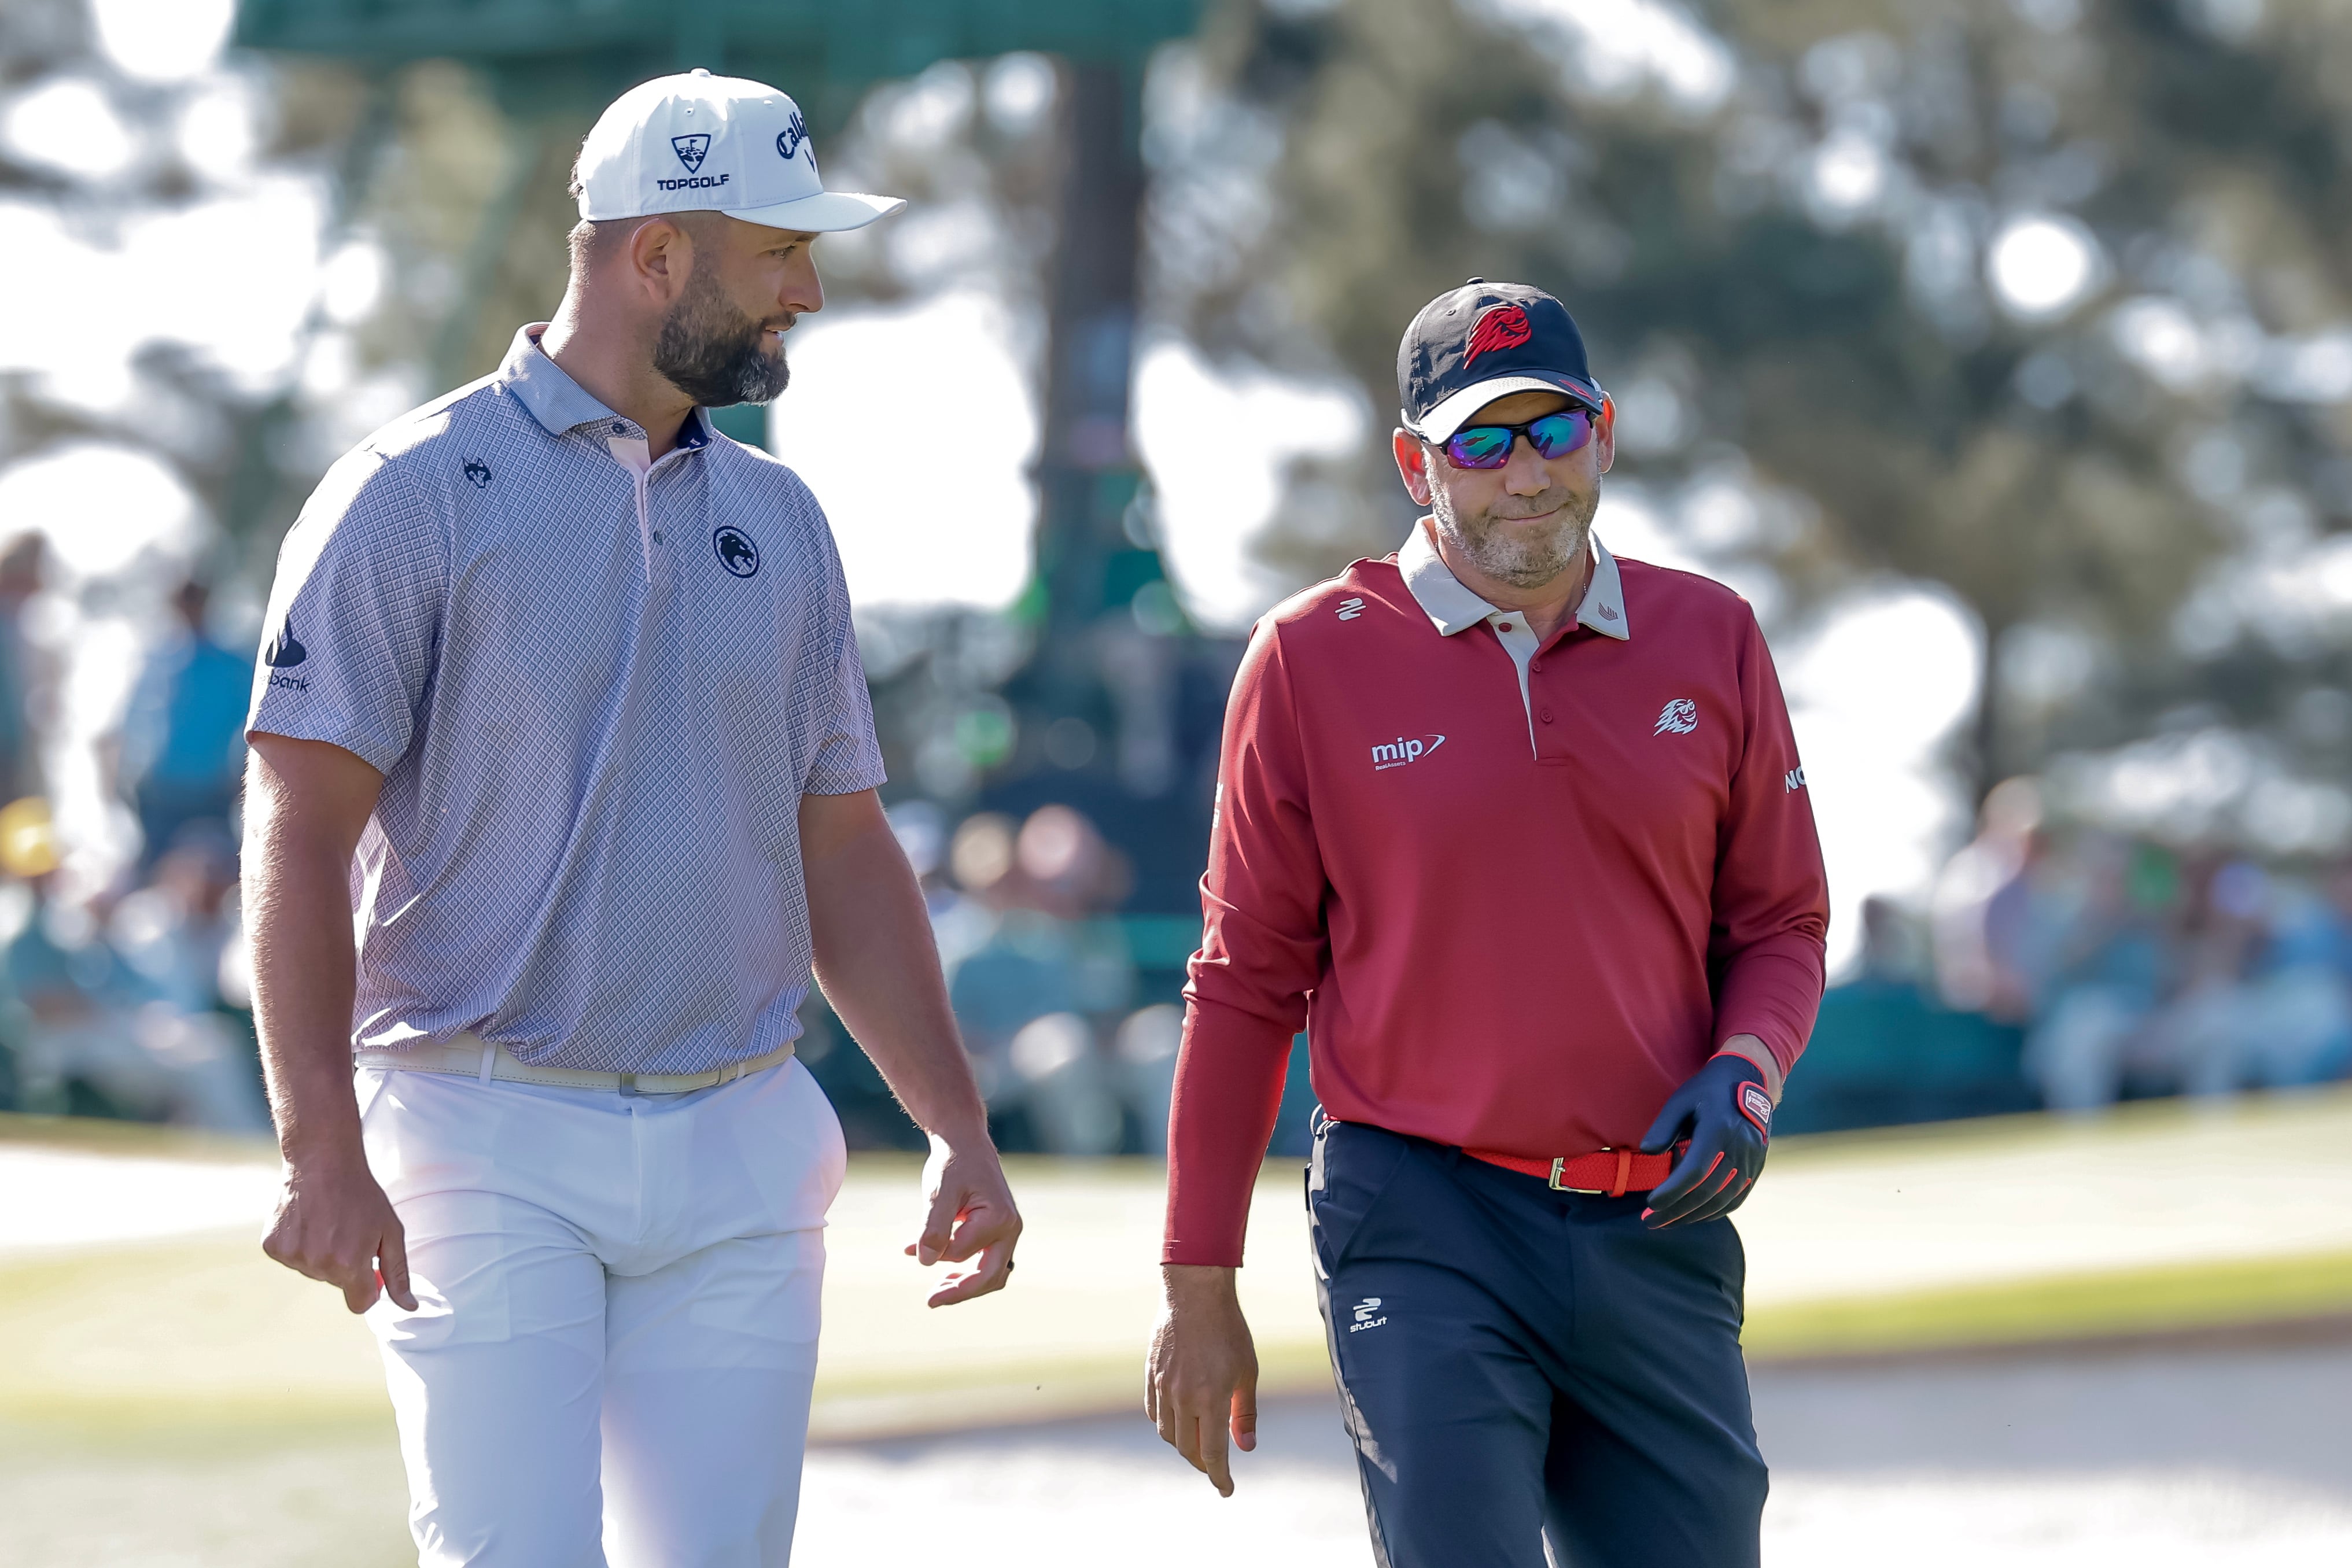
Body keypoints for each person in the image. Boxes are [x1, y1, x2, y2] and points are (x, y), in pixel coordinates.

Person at [243, 71, 1020, 1567]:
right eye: (777, 249)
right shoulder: (411, 492)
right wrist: (317, 1147)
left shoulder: (782, 520)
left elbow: (842, 843)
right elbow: (298, 829)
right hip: (482, 1124)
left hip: (740, 1128)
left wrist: (955, 1122)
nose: (807, 286)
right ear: (655, 253)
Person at [1146, 280, 1830, 1567]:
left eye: (1551, 430)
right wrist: (1199, 1278)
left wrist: (1745, 1072)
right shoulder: (1308, 657)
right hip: (1420, 1220)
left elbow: (1781, 918)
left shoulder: (1712, 636)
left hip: (1656, 1224)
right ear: (1416, 464)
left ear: (1603, 434)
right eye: (1479, 440)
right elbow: (1243, 986)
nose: (1524, 472)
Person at [116, 578, 252, 866]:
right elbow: (134, 722)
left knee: (216, 870)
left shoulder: (232, 663)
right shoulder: (155, 659)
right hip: (160, 788)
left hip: (210, 788)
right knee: (156, 870)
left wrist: (240, 777)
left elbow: (248, 724)